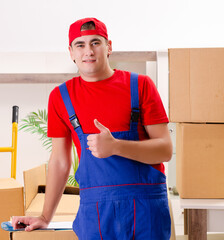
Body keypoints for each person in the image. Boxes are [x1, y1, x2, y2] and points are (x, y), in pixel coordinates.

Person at [12, 17, 173, 239]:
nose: (88, 51)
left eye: (96, 42)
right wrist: (45, 216)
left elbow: (165, 150)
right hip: (95, 210)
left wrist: (116, 147)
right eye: (80, 44)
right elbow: (60, 160)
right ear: (71, 52)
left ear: (109, 47)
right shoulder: (61, 97)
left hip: (146, 208)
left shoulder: (141, 85)